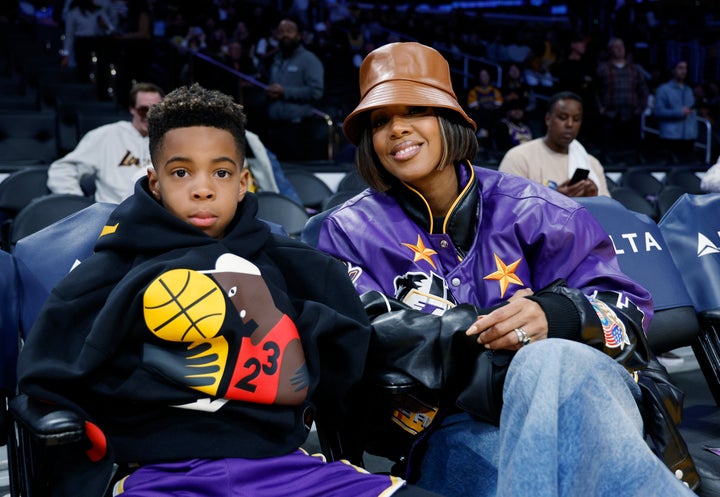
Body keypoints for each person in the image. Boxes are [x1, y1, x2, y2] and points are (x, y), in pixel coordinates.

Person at [16, 83, 439, 497]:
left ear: (243, 182)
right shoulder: (108, 271)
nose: (203, 188)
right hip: (163, 476)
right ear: (155, 181)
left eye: (220, 172)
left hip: (287, 470)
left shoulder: (297, 265)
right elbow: (48, 380)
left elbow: (348, 371)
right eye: (181, 172)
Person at [316, 42, 695, 497]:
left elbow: (627, 312)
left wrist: (556, 315)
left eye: (416, 109)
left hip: (584, 402)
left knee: (550, 359)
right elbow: (362, 341)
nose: (397, 128)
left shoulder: (538, 210)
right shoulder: (346, 232)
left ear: (452, 119)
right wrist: (494, 343)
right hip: (453, 429)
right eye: (380, 121)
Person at [47, 81, 164, 204]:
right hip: (113, 213)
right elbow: (62, 170)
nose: (149, 116)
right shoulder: (106, 135)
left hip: (154, 215)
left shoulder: (168, 139)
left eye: (155, 110)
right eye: (143, 110)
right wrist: (80, 206)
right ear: (132, 109)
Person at [498, 91, 610, 197]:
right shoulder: (518, 157)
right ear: (548, 119)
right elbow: (507, 206)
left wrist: (594, 198)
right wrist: (555, 201)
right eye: (563, 118)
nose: (570, 124)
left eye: (576, 119)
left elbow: (608, 211)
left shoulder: (592, 164)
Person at [263, 18, 325, 160]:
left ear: (298, 35)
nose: (285, 35)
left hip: (298, 130)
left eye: (289, 31)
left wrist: (285, 92)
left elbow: (316, 91)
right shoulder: (276, 60)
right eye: (281, 32)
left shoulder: (309, 59)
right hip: (274, 128)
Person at [596, 37, 649, 151]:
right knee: (610, 149)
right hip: (610, 115)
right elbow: (596, 91)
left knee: (631, 149)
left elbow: (643, 90)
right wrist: (600, 108)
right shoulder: (603, 69)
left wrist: (641, 108)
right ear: (610, 50)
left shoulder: (635, 69)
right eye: (616, 47)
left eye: (622, 46)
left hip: (632, 115)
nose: (620, 49)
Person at [653, 59, 698, 161]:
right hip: (671, 136)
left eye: (685, 68)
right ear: (673, 70)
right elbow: (658, 111)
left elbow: (692, 112)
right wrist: (679, 112)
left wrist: (694, 132)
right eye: (680, 68)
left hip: (688, 136)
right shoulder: (664, 89)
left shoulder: (688, 90)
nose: (683, 71)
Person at [466, 67, 503, 140]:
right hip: (480, 116)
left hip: (493, 115)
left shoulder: (494, 90)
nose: (485, 78)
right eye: (482, 76)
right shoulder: (473, 91)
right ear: (478, 77)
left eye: (486, 75)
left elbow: (499, 103)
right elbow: (473, 105)